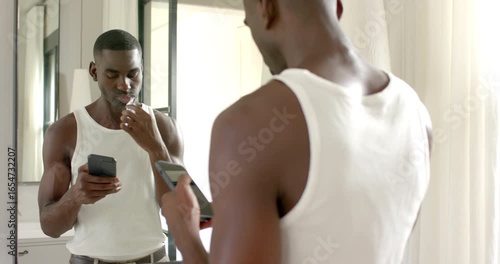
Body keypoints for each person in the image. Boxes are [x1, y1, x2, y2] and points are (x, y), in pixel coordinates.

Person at [160, 0, 432, 263]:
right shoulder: (416, 113)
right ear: (337, 6)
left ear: (266, 7)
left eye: (248, 22)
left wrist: (187, 237)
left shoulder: (250, 122)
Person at [38, 29, 183, 263]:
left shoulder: (166, 128)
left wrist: (157, 149)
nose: (124, 85)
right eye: (112, 75)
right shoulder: (64, 132)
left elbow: (185, 213)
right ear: (94, 72)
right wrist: (75, 197)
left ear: (142, 70)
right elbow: (49, 226)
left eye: (133, 74)